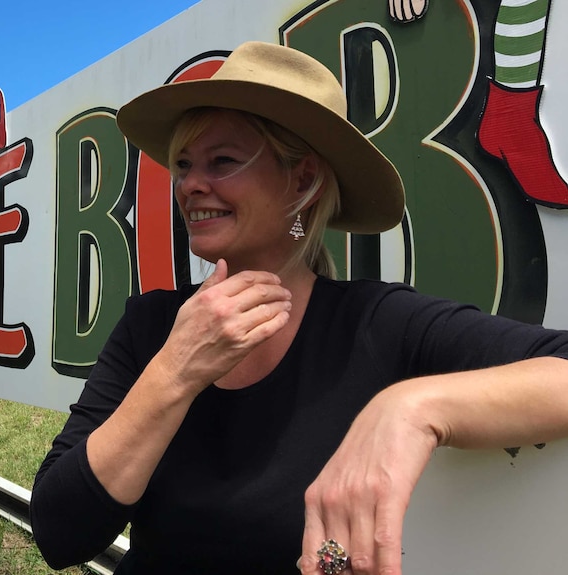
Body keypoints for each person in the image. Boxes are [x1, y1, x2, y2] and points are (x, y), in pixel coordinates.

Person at [29, 41, 568, 574]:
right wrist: (175, 371)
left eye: (222, 161)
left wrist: (412, 407)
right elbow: (59, 534)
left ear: (304, 181)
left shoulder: (374, 324)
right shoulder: (149, 326)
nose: (191, 184)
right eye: (184, 164)